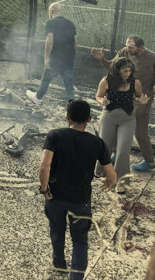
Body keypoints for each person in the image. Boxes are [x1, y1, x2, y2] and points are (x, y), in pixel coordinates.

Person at [39, 99, 116, 280]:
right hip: (80, 201)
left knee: (57, 231)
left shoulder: (55, 136)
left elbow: (44, 167)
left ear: (67, 117)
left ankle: (59, 263)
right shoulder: (97, 143)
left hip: (55, 197)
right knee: (80, 241)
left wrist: (44, 190)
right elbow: (111, 175)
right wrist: (109, 182)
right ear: (89, 119)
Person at [91, 35, 155, 172]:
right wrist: (102, 59)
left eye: (131, 47)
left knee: (140, 131)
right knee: (115, 126)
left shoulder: (152, 58)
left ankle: (149, 161)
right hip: (123, 95)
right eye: (127, 45)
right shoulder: (124, 52)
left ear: (141, 47)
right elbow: (112, 67)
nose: (127, 49)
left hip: (142, 98)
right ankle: (115, 155)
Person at [94, 57, 149, 193]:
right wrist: (102, 101)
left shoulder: (135, 82)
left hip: (128, 119)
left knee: (123, 150)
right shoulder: (106, 80)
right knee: (105, 146)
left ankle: (121, 182)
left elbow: (138, 96)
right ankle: (101, 171)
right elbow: (98, 96)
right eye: (125, 71)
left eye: (130, 70)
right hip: (108, 117)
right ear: (117, 70)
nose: (128, 73)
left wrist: (141, 100)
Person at [26, 2, 77, 104]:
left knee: (46, 78)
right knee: (69, 85)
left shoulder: (51, 23)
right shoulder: (70, 23)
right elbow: (76, 41)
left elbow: (50, 40)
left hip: (56, 58)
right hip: (69, 58)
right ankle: (72, 105)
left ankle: (38, 97)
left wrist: (46, 58)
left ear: (51, 11)